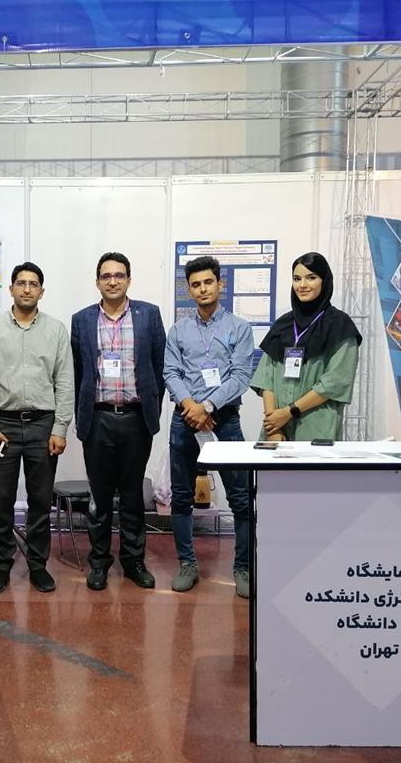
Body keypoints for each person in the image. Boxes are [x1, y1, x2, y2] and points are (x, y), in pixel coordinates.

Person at [0, 262, 74, 595]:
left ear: (41, 291)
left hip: (43, 426)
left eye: (33, 284)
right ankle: (1, 565)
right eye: (21, 283)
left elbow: (65, 381)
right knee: (1, 499)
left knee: (40, 500)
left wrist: (60, 428)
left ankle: (37, 565)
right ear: (11, 289)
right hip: (2, 426)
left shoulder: (56, 330)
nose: (27, 289)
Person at [70, 252, 165, 591]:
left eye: (119, 275)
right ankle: (98, 563)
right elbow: (79, 371)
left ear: (129, 280)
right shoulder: (82, 319)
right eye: (106, 276)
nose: (113, 281)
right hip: (98, 418)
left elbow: (158, 366)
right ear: (97, 281)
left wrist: (150, 407)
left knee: (132, 496)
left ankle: (133, 561)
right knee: (99, 498)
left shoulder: (148, 314)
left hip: (136, 418)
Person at [163, 256, 255, 597]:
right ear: (189, 290)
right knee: (181, 497)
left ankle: (242, 567)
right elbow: (171, 371)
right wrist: (191, 405)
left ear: (220, 284)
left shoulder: (239, 328)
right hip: (184, 418)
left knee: (241, 497)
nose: (202, 289)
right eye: (196, 284)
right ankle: (187, 564)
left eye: (208, 282)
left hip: (225, 418)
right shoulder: (179, 330)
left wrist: (208, 406)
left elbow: (241, 376)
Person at [252, 252, 362, 442]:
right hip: (277, 429)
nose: (302, 285)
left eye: (311, 278)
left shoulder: (340, 326)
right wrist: (273, 426)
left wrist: (289, 412)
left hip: (315, 428)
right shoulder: (283, 325)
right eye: (297, 279)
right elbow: (266, 378)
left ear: (324, 281)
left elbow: (335, 382)